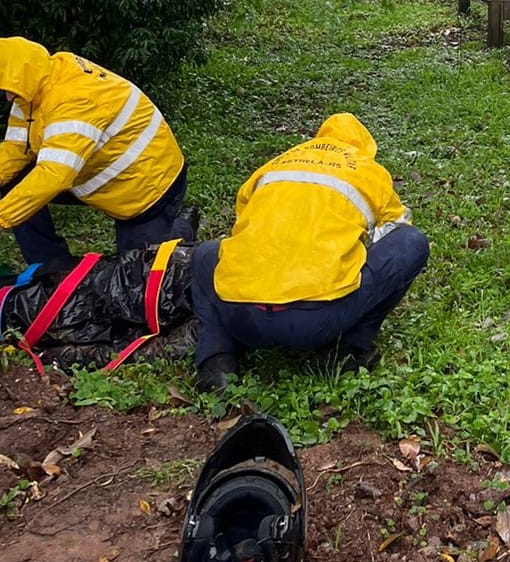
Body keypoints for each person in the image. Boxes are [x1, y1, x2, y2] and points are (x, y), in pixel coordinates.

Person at [191, 113, 429, 392]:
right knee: (412, 242)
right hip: (315, 322)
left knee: (205, 254)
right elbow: (396, 229)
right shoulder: (367, 170)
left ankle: (216, 359)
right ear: (364, 148)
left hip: (239, 315)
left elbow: (243, 228)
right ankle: (345, 352)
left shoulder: (274, 165)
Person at [0, 37, 192, 267]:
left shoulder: (74, 99)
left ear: (18, 75)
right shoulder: (38, 84)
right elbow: (16, 149)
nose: (6, 97)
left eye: (6, 88)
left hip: (146, 189)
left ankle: (181, 229)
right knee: (13, 179)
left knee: (137, 274)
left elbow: (54, 175)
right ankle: (52, 268)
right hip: (102, 175)